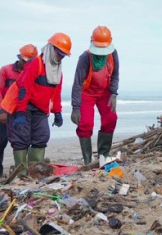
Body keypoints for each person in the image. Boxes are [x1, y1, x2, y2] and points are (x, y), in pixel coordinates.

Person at [8, 33, 71, 172]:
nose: (60, 57)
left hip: (40, 107)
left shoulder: (57, 71)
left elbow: (55, 94)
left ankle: (34, 171)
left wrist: (57, 112)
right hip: (23, 104)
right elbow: (24, 88)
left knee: (42, 136)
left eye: (63, 55)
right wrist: (20, 113)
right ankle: (21, 173)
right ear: (51, 48)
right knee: (21, 138)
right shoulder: (35, 63)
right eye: (59, 53)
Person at [71, 26, 120, 164]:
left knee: (111, 119)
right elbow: (77, 83)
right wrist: (76, 107)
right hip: (87, 93)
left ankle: (103, 155)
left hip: (105, 93)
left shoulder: (113, 54)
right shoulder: (85, 58)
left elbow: (115, 75)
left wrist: (113, 93)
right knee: (85, 123)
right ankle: (87, 159)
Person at [0, 44, 38, 176]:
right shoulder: (5, 70)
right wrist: (2, 111)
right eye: (23, 61)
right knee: (1, 141)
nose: (25, 64)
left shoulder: (33, 72)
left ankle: (23, 171)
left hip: (22, 113)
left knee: (22, 140)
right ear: (19, 58)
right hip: (5, 111)